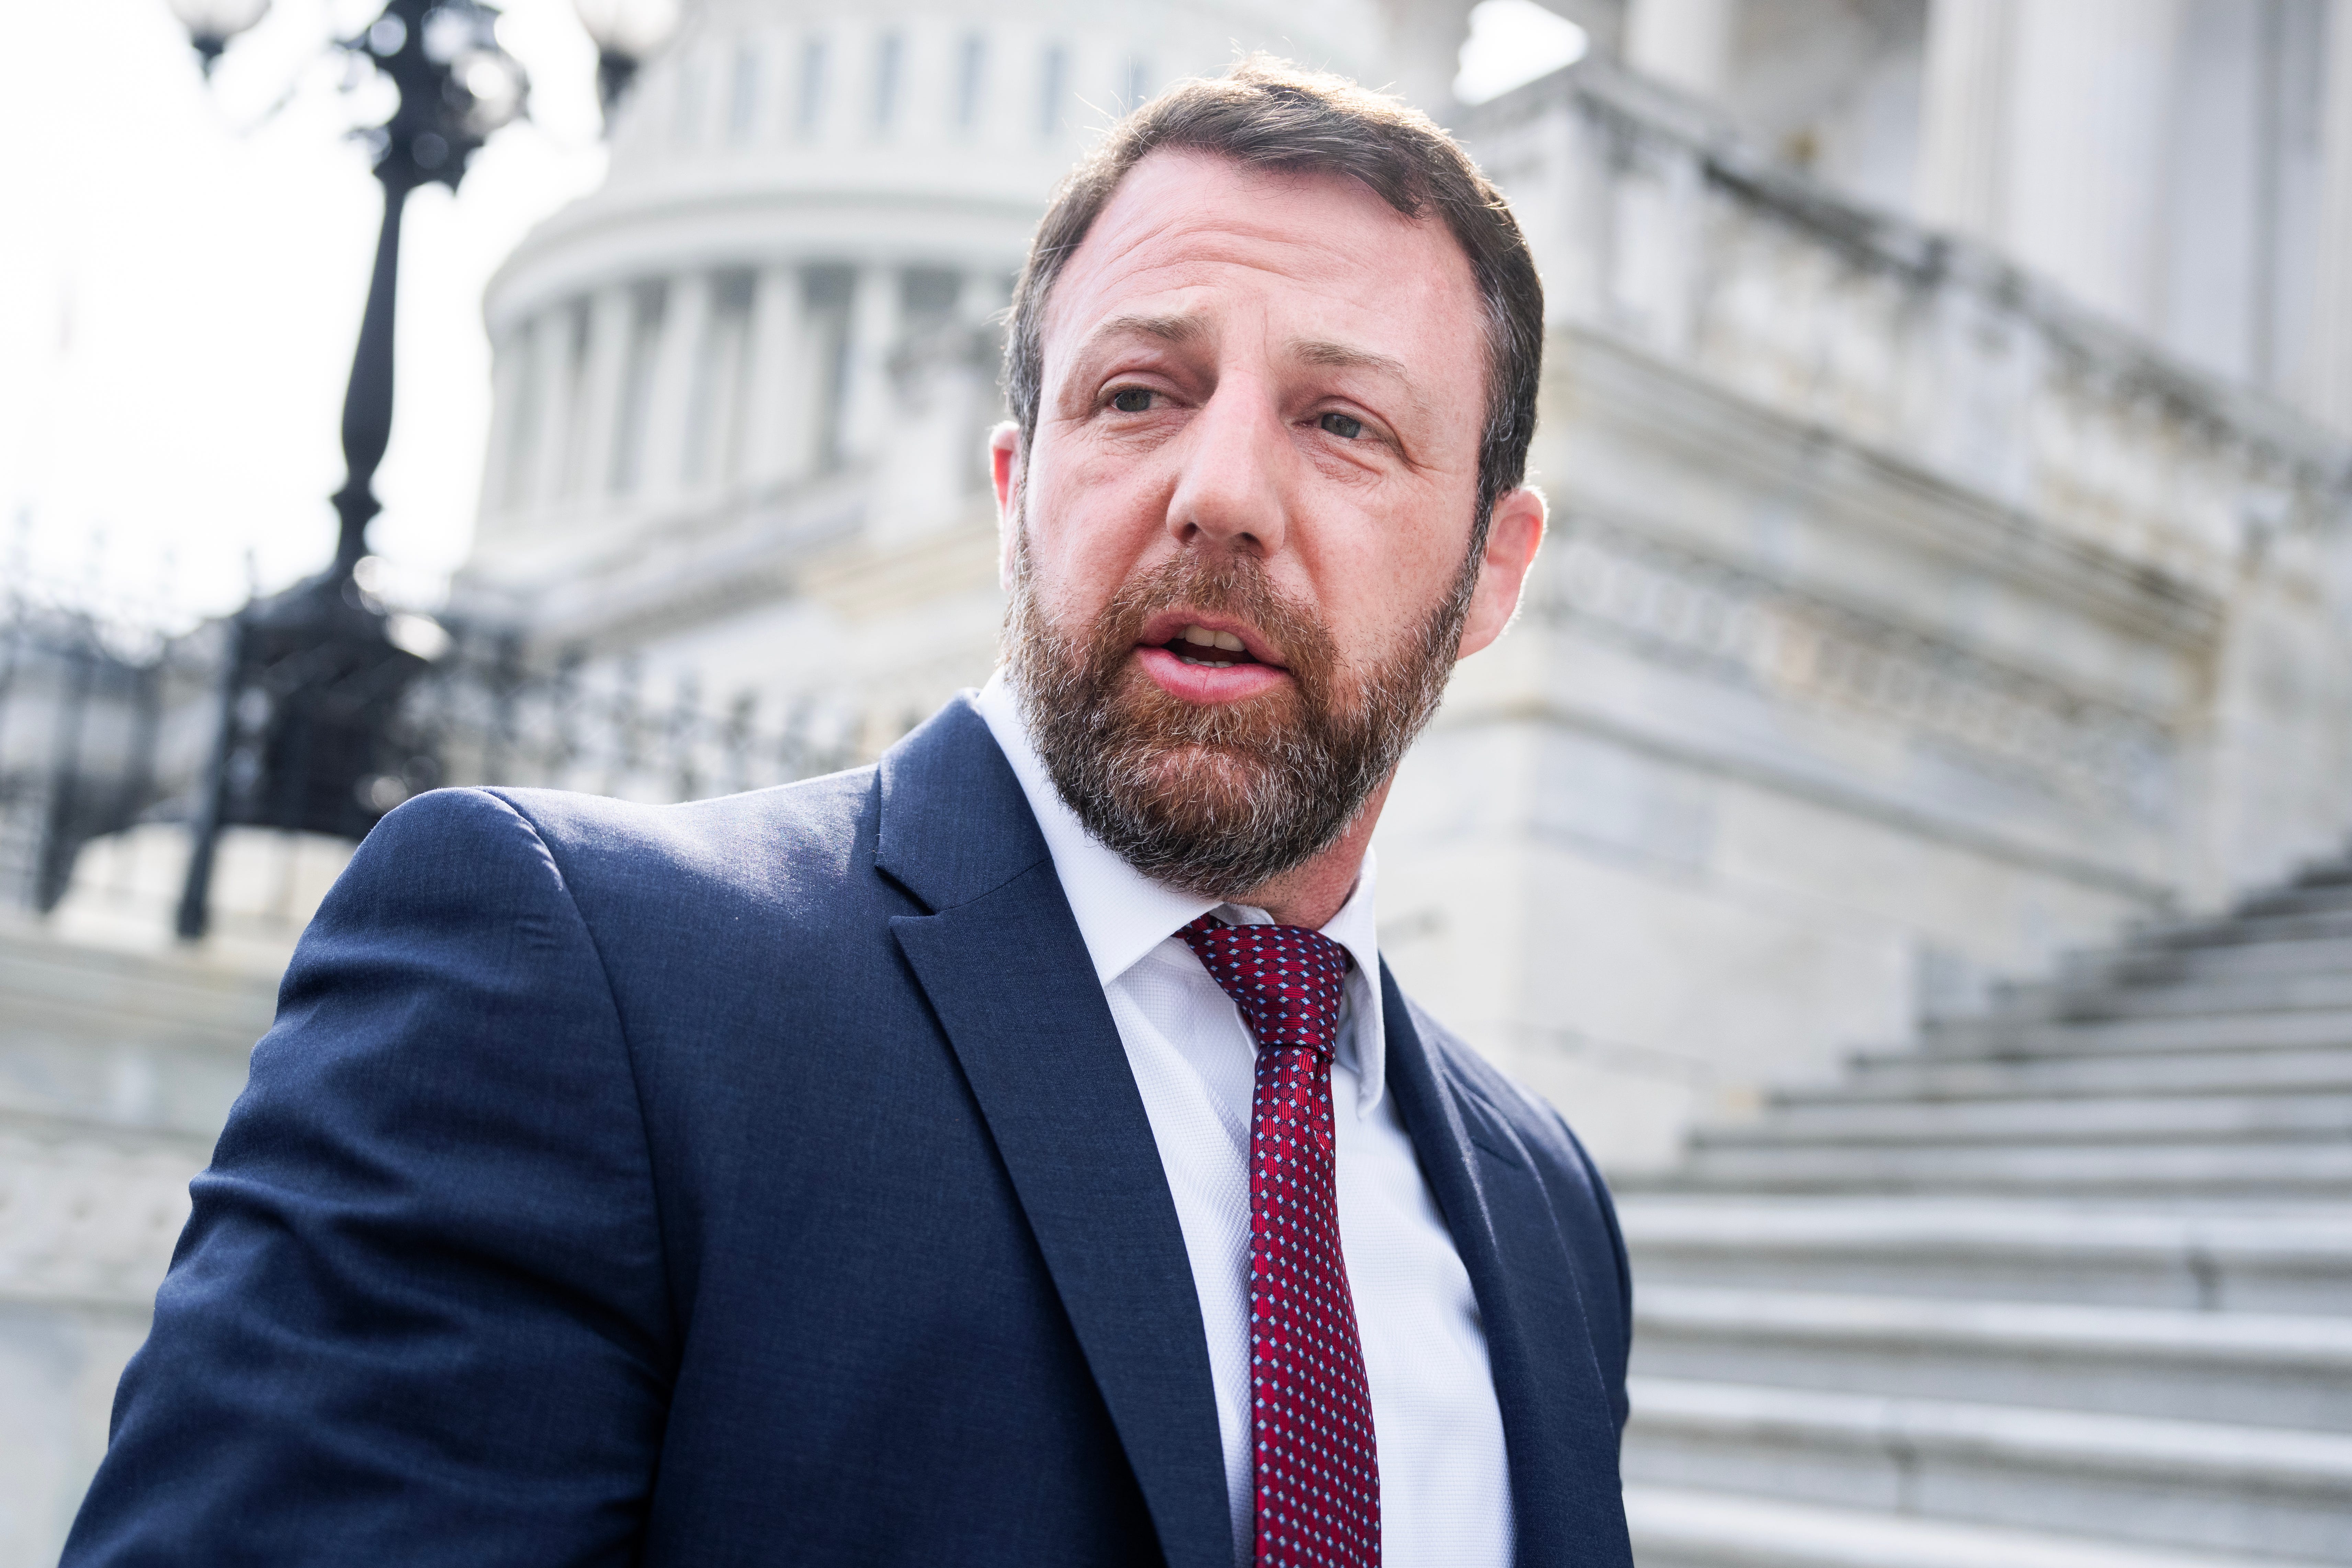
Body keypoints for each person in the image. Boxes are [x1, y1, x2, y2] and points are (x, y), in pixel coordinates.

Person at [65, 57, 1631, 1568]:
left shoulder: (1543, 1208)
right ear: (1013, 493)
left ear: (1492, 570)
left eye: (1343, 421)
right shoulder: (573, 980)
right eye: (1138, 395)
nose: (1218, 491)